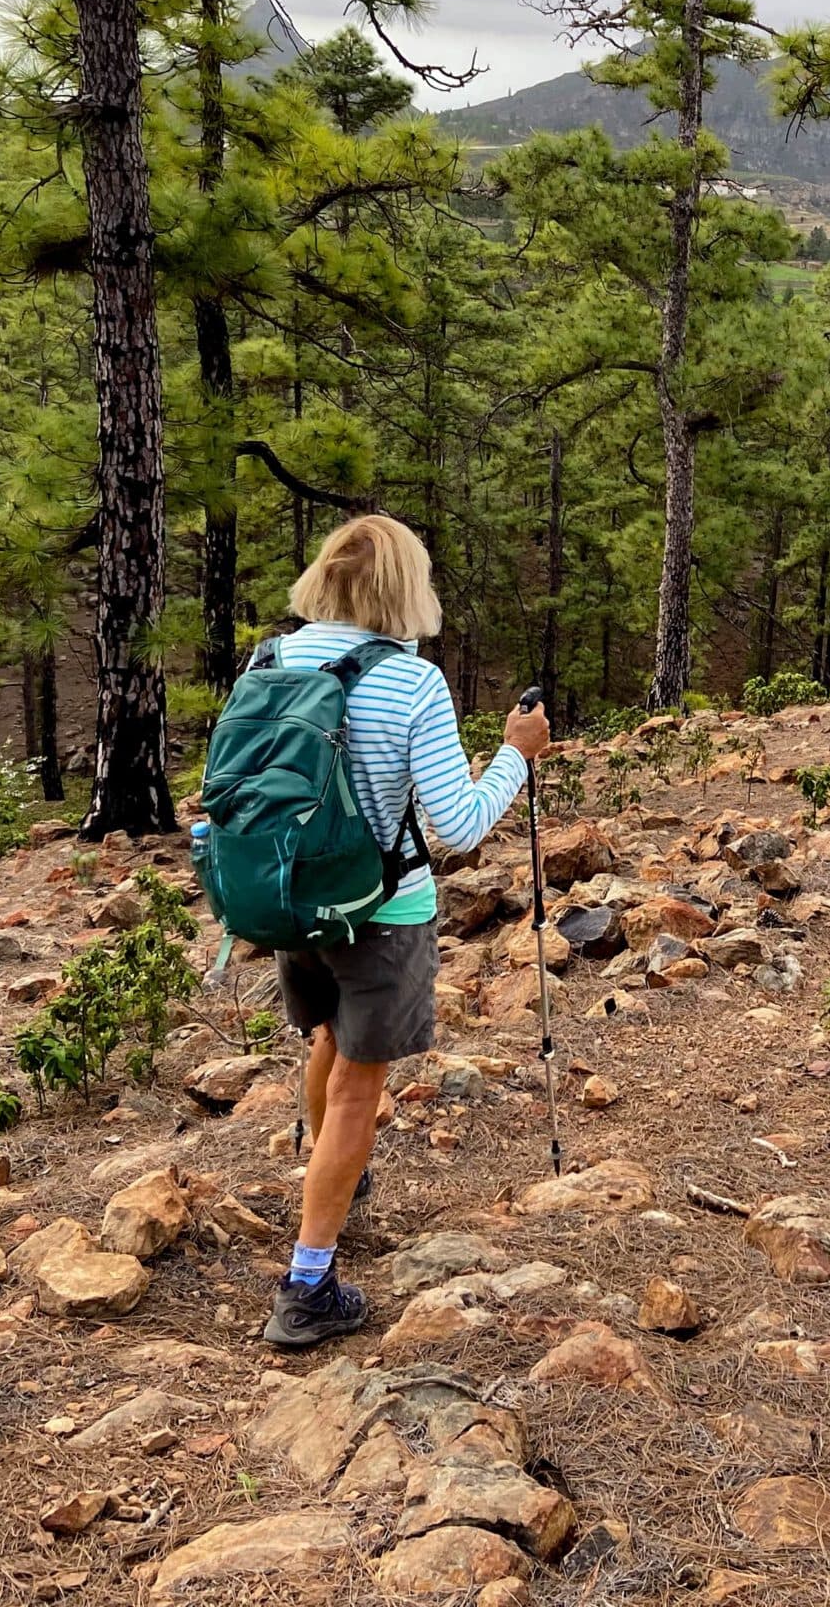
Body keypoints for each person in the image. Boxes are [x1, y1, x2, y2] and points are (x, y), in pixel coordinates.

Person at [260, 514, 548, 1349]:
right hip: (382, 911)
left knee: (325, 1040)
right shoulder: (410, 681)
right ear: (404, 587)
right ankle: (307, 1286)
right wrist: (517, 756)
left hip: (292, 898)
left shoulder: (271, 660)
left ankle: (334, 1178)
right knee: (359, 1086)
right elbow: (455, 828)